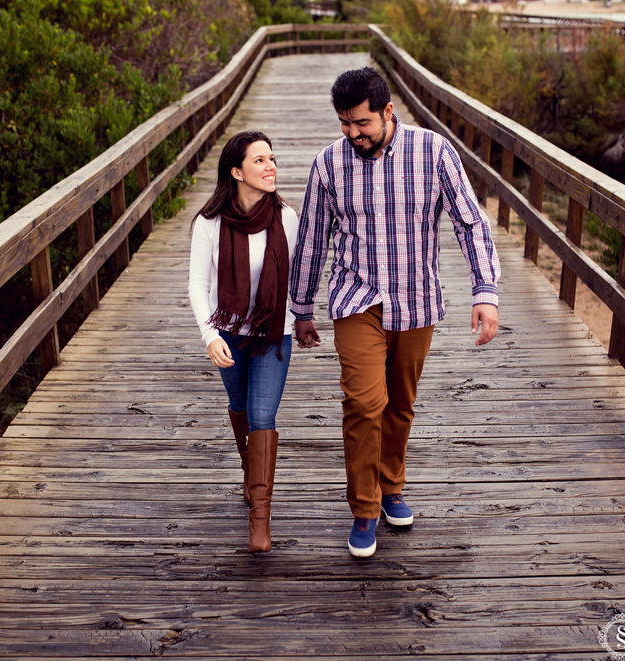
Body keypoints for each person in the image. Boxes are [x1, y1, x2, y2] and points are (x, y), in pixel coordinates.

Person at [290, 67, 501, 558]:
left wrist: (484, 291)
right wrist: (301, 308)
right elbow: (312, 241)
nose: (352, 134)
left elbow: (470, 222)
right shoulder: (328, 165)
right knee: (365, 404)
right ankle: (364, 509)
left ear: (388, 111)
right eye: (343, 123)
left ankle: (391, 487)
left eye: (360, 123)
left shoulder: (434, 152)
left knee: (399, 404)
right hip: (355, 299)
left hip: (416, 299)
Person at [188, 130, 299, 553]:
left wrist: (300, 318)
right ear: (236, 171)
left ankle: (259, 518)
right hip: (229, 332)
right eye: (259, 160)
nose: (270, 166)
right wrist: (210, 335)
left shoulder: (285, 216)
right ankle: (248, 470)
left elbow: (295, 279)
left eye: (272, 158)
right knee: (239, 408)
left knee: (260, 414)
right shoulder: (208, 223)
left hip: (273, 332)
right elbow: (198, 285)